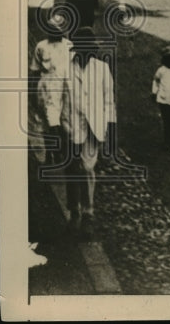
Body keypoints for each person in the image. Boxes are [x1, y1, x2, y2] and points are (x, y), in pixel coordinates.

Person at [59, 27, 117, 239]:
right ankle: (74, 212)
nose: (87, 53)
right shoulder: (65, 69)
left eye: (90, 49)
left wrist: (110, 129)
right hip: (70, 126)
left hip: (93, 129)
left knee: (86, 169)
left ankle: (88, 214)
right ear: (77, 50)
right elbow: (58, 101)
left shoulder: (101, 69)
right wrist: (58, 128)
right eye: (83, 49)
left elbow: (109, 101)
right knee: (72, 170)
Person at [29, 12, 73, 165]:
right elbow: (34, 71)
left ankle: (64, 150)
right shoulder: (41, 46)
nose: (55, 33)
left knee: (65, 118)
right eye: (52, 30)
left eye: (58, 30)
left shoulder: (69, 46)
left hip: (66, 84)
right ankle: (53, 152)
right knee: (49, 118)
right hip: (47, 85)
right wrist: (33, 93)